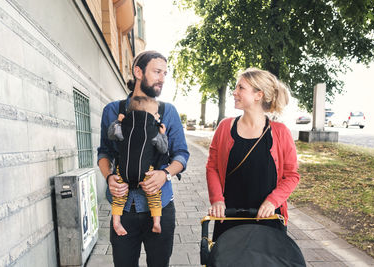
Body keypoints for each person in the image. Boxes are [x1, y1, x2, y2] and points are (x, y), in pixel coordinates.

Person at [97, 50, 189, 267]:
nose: (162, 79)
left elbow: (181, 155)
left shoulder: (168, 112)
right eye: (157, 72)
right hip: (124, 208)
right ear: (138, 71)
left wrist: (165, 174)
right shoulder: (114, 110)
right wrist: (109, 177)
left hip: (160, 207)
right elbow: (104, 153)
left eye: (165, 74)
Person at [206, 67, 300, 241]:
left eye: (241, 88)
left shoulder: (280, 132)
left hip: (268, 218)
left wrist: (273, 201)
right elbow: (212, 167)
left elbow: (291, 176)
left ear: (258, 95)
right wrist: (217, 200)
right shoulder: (225, 127)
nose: (234, 92)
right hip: (229, 217)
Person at [107, 96, 169, 235]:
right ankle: (156, 222)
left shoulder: (122, 129)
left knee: (119, 196)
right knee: (153, 194)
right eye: (155, 113)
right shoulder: (153, 133)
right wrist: (163, 135)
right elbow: (163, 149)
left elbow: (111, 134)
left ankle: (116, 222)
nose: (158, 115)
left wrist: (118, 121)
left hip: (122, 171)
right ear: (147, 116)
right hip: (146, 172)